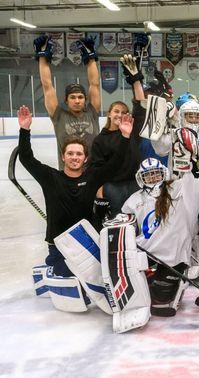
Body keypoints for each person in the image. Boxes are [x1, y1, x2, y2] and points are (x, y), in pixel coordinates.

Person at [17, 105, 131, 278]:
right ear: (63, 157)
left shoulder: (92, 177)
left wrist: (125, 137)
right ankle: (51, 267)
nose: (74, 157)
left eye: (78, 154)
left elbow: (116, 163)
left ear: (85, 158)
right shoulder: (51, 177)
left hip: (87, 241)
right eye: (70, 153)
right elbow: (26, 158)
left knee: (94, 280)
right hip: (58, 244)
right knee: (67, 278)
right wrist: (24, 129)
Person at [121, 141, 199, 316]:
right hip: (144, 255)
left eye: (156, 173)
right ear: (141, 178)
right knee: (138, 294)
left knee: (160, 302)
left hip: (172, 259)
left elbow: (195, 182)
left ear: (163, 173)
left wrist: (192, 160)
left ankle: (171, 284)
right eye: (148, 175)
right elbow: (126, 227)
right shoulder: (134, 200)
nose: (153, 178)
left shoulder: (177, 191)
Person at [35, 34, 101, 169]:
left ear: (85, 99)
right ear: (66, 100)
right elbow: (47, 85)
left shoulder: (92, 112)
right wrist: (42, 57)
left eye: (80, 97)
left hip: (93, 174)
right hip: (67, 176)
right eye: (73, 97)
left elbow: (94, 84)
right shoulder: (59, 116)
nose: (77, 101)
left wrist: (91, 58)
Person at [89, 101, 141, 220]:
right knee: (117, 218)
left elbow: (140, 108)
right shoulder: (100, 140)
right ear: (109, 114)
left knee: (137, 218)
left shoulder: (132, 132)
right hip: (114, 186)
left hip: (135, 183)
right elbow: (97, 168)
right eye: (116, 111)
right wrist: (99, 190)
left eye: (123, 112)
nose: (120, 114)